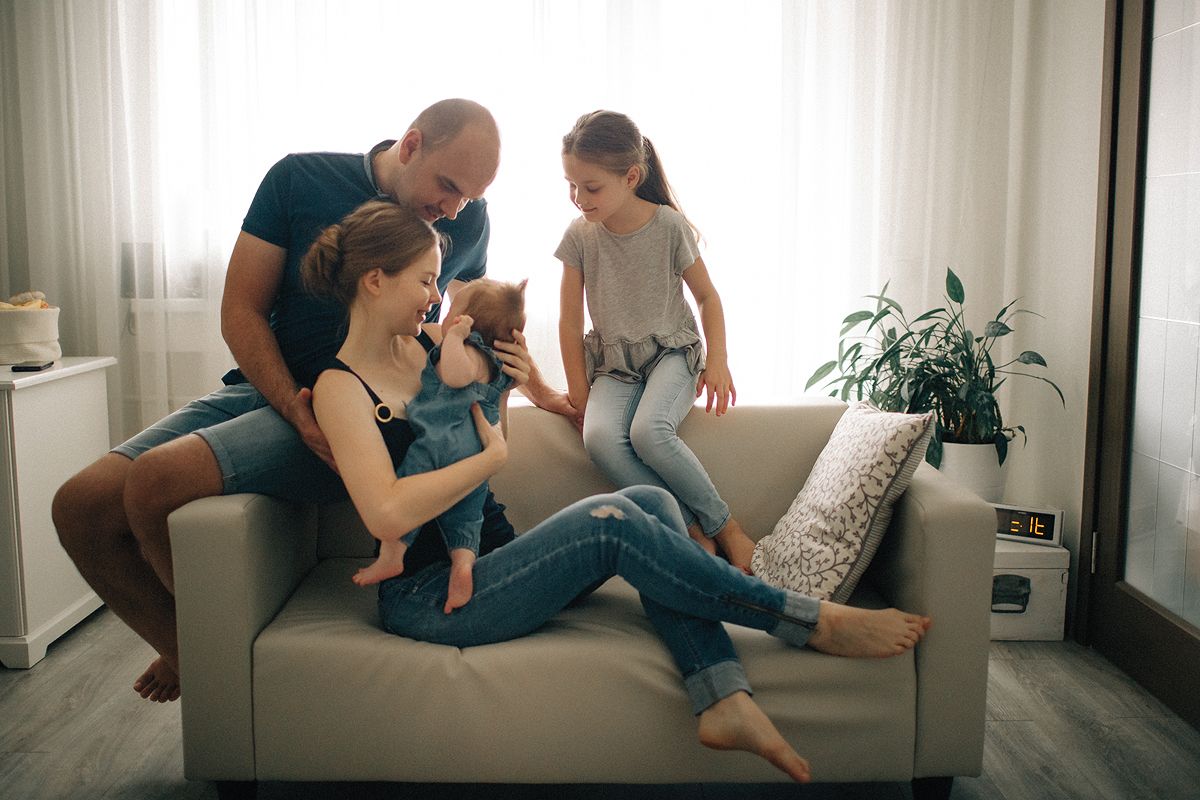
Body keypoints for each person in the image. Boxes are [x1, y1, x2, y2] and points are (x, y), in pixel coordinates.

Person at [307, 199, 933, 784]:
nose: (434, 295)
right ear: (375, 280)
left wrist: (503, 391)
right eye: (424, 280)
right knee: (610, 521)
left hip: (494, 560)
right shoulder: (340, 387)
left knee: (653, 503)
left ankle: (722, 696)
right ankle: (804, 619)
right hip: (428, 594)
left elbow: (478, 443)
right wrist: (495, 453)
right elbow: (385, 512)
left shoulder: (430, 349)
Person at [50, 99, 571, 703]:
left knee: (156, 481)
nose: (456, 209)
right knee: (80, 506)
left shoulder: (468, 219)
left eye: (471, 197)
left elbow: (469, 325)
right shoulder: (299, 178)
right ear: (411, 145)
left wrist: (538, 388)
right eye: (449, 187)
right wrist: (293, 408)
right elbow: (240, 309)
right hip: (268, 388)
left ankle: (209, 670)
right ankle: (185, 648)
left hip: (361, 407)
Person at [555, 109, 756, 571]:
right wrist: (579, 388)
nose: (578, 198)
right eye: (571, 185)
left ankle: (727, 527)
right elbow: (569, 320)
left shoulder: (668, 226)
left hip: (672, 353)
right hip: (615, 364)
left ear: (631, 177)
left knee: (649, 432)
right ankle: (689, 529)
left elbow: (707, 297)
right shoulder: (579, 236)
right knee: (600, 440)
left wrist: (718, 359)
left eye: (591, 187)